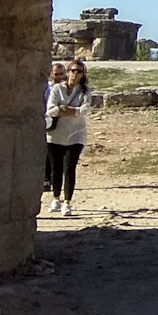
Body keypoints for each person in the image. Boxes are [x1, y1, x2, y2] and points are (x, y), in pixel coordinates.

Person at [45, 59, 91, 217]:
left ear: (83, 74)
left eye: (78, 71)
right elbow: (50, 109)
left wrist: (64, 109)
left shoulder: (85, 91)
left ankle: (67, 202)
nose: (74, 74)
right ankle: (56, 197)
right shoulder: (57, 88)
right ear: (68, 72)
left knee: (69, 169)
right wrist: (73, 111)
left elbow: (85, 110)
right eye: (72, 70)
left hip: (75, 134)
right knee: (56, 169)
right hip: (55, 134)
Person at [43, 60, 67, 193]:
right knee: (48, 151)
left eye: (61, 74)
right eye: (56, 74)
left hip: (64, 121)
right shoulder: (47, 87)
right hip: (50, 120)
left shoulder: (68, 88)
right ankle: (47, 179)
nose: (59, 77)